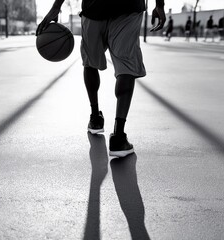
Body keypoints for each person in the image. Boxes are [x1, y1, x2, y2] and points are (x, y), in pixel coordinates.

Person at [37, 0, 166, 157]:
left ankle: (95, 117)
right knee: (126, 65)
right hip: (128, 7)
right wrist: (160, 5)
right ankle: (118, 137)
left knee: (90, 62)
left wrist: (56, 6)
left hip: (94, 7)